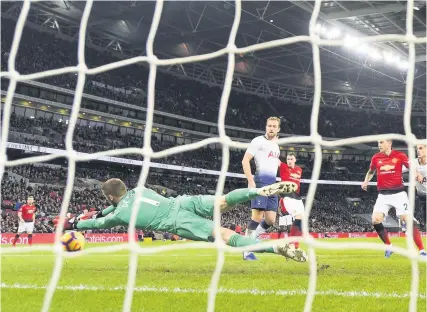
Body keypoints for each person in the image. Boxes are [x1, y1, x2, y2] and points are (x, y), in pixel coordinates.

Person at [54, 178, 308, 262]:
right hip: (182, 201)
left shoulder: (120, 212)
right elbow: (109, 210)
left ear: (110, 196)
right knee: (223, 200)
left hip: (177, 222)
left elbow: (100, 221)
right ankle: (258, 191)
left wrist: (74, 224)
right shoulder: (138, 190)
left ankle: (274, 248)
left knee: (224, 234)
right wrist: (92, 214)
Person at [361, 140, 425, 258]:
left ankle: (421, 250)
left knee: (408, 220)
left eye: (381, 142)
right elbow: (371, 171)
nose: (379, 145)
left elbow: (411, 166)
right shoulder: (376, 157)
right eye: (378, 143)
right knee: (375, 220)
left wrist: (417, 174)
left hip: (398, 194)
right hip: (383, 195)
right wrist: (366, 181)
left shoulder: (400, 155)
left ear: (389, 143)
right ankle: (389, 246)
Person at [241, 116, 281, 260]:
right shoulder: (257, 141)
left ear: (278, 129)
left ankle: (250, 239)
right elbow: (245, 160)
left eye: (274, 126)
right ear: (266, 127)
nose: (271, 128)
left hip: (273, 185)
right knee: (257, 217)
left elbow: (273, 163)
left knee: (270, 220)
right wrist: (250, 179)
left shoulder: (276, 146)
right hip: (260, 183)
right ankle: (246, 249)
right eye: (269, 125)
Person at [278, 153, 304, 249]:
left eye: (291, 159)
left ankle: (296, 245)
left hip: (298, 198)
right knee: (297, 217)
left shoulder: (299, 170)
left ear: (295, 160)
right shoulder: (283, 166)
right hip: (288, 197)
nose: (289, 160)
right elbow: (275, 159)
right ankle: (290, 242)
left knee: (301, 220)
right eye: (288, 159)